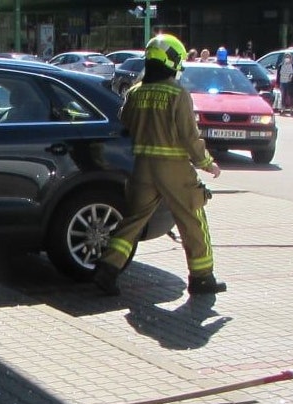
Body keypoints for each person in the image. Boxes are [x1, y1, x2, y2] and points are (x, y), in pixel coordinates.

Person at [92, 33, 225, 297]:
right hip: (174, 168)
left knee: (133, 221)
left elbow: (125, 123)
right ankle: (202, 278)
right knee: (193, 219)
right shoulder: (177, 94)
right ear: (172, 61)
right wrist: (207, 162)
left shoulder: (135, 92)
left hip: (142, 167)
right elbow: (189, 136)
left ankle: (107, 269)